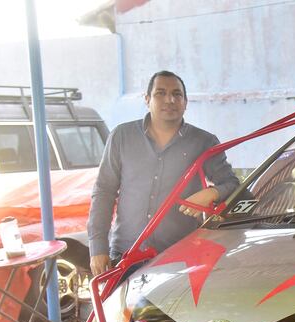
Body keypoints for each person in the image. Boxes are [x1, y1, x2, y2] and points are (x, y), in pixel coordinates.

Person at [88, 70, 240, 276]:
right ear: (147, 99)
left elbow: (232, 184)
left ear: (185, 102)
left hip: (180, 260)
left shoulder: (203, 141)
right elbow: (104, 191)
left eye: (177, 94)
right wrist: (98, 247)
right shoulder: (122, 137)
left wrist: (211, 194)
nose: (170, 99)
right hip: (125, 256)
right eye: (160, 93)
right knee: (120, 309)